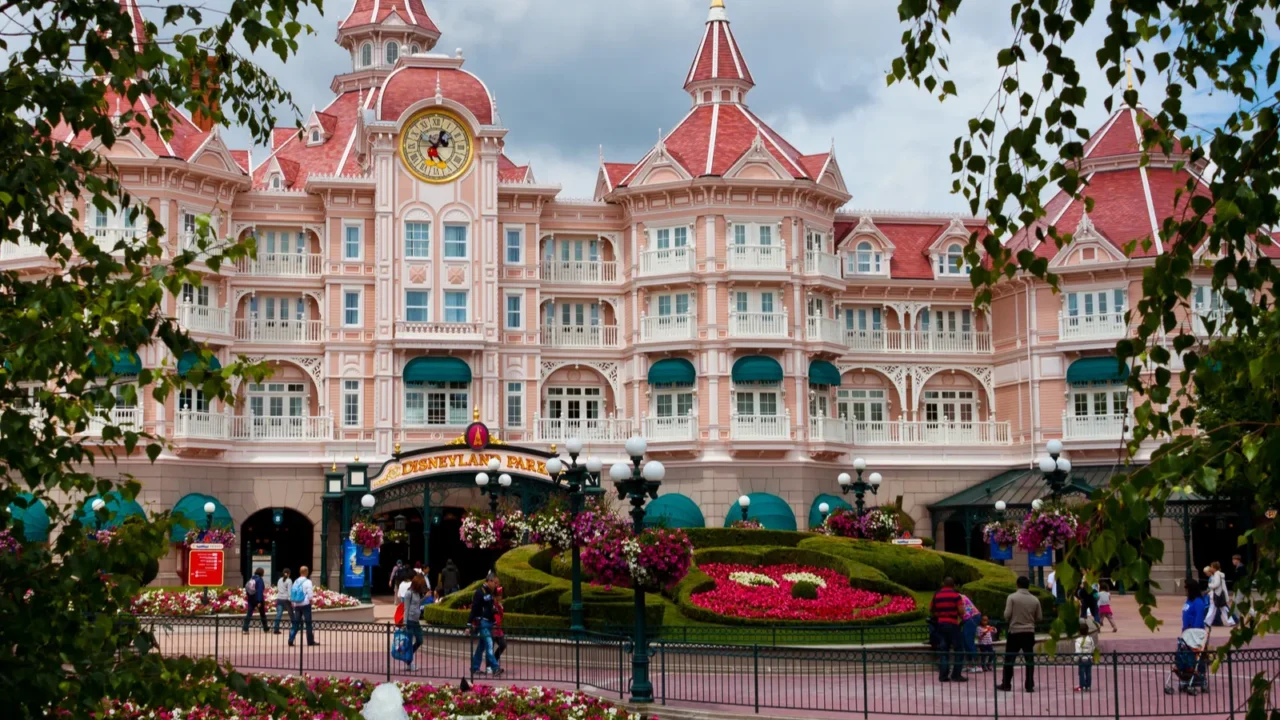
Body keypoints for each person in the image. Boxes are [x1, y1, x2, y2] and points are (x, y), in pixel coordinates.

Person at [998, 576, 1042, 693]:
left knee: (1009, 659)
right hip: (1029, 632)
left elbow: (1007, 615)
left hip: (1015, 632)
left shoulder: (1012, 597)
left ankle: (1006, 684)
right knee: (1029, 660)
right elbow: (1039, 617)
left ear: (1017, 584)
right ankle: (1029, 685)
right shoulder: (1035, 599)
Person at [928, 576, 966, 683]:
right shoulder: (956, 596)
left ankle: (943, 676)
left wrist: (939, 614)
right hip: (953, 624)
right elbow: (961, 611)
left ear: (943, 584)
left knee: (944, 650)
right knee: (959, 650)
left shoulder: (937, 595)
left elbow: (931, 609)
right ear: (953, 585)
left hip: (941, 624)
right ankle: (956, 675)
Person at [469, 571, 502, 676]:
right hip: (483, 623)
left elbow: (491, 608)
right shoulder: (480, 592)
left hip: (489, 623)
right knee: (489, 644)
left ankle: (475, 667)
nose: (496, 585)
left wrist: (495, 615)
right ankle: (495, 668)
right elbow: (474, 609)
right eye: (494, 583)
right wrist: (469, 623)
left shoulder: (489, 592)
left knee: (482, 647)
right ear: (489, 581)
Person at [402, 574, 428, 671]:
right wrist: (404, 623)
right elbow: (406, 608)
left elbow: (418, 603)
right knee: (409, 642)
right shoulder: (409, 593)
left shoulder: (417, 593)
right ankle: (409, 663)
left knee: (420, 640)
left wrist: (425, 597)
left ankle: (407, 656)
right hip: (409, 621)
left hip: (416, 621)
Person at [289, 565, 318, 647]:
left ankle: (290, 639)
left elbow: (293, 591)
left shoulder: (296, 581)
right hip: (305, 604)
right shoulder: (308, 581)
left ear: (300, 572)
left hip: (297, 604)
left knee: (296, 623)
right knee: (308, 623)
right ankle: (310, 641)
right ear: (306, 572)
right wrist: (311, 600)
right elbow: (309, 592)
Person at [1204, 562, 1234, 627]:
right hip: (1217, 594)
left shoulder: (1217, 575)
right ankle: (1207, 621)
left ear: (1214, 568)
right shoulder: (1218, 574)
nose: (1210, 568)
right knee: (1217, 608)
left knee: (1217, 608)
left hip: (1217, 594)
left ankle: (1207, 621)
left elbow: (1216, 584)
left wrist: (1210, 585)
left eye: (1211, 567)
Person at [959, 592, 982, 672]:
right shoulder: (960, 596)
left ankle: (978, 665)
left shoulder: (957, 597)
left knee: (969, 641)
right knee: (965, 641)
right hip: (969, 618)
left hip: (971, 617)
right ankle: (970, 665)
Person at [242, 567, 268, 633]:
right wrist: (259, 601)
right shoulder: (259, 580)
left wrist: (249, 596)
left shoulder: (251, 579)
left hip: (251, 599)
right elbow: (259, 591)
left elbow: (248, 588)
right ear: (262, 573)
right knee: (262, 614)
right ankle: (265, 628)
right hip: (258, 599)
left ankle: (245, 628)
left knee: (249, 613)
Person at [1074, 620, 1096, 692]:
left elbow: (1078, 651)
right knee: (1088, 673)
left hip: (1082, 659)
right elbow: (1093, 648)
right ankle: (1088, 685)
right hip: (1089, 658)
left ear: (1079, 632)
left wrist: (1076, 659)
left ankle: (1082, 686)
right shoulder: (1090, 639)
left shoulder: (1078, 640)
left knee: (1081, 673)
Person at [273, 568, 293, 634]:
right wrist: (292, 599)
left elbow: (278, 588)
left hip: (279, 598)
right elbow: (290, 592)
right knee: (291, 613)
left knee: (279, 614)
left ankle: (276, 628)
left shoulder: (279, 580)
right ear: (289, 573)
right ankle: (295, 626)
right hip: (286, 599)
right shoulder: (289, 581)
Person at [492, 585, 507, 663]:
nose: (500, 597)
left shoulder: (498, 605)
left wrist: (501, 609)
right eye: (499, 595)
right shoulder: (492, 604)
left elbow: (500, 617)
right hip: (492, 628)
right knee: (490, 647)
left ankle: (494, 660)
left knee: (503, 644)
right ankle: (490, 665)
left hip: (498, 629)